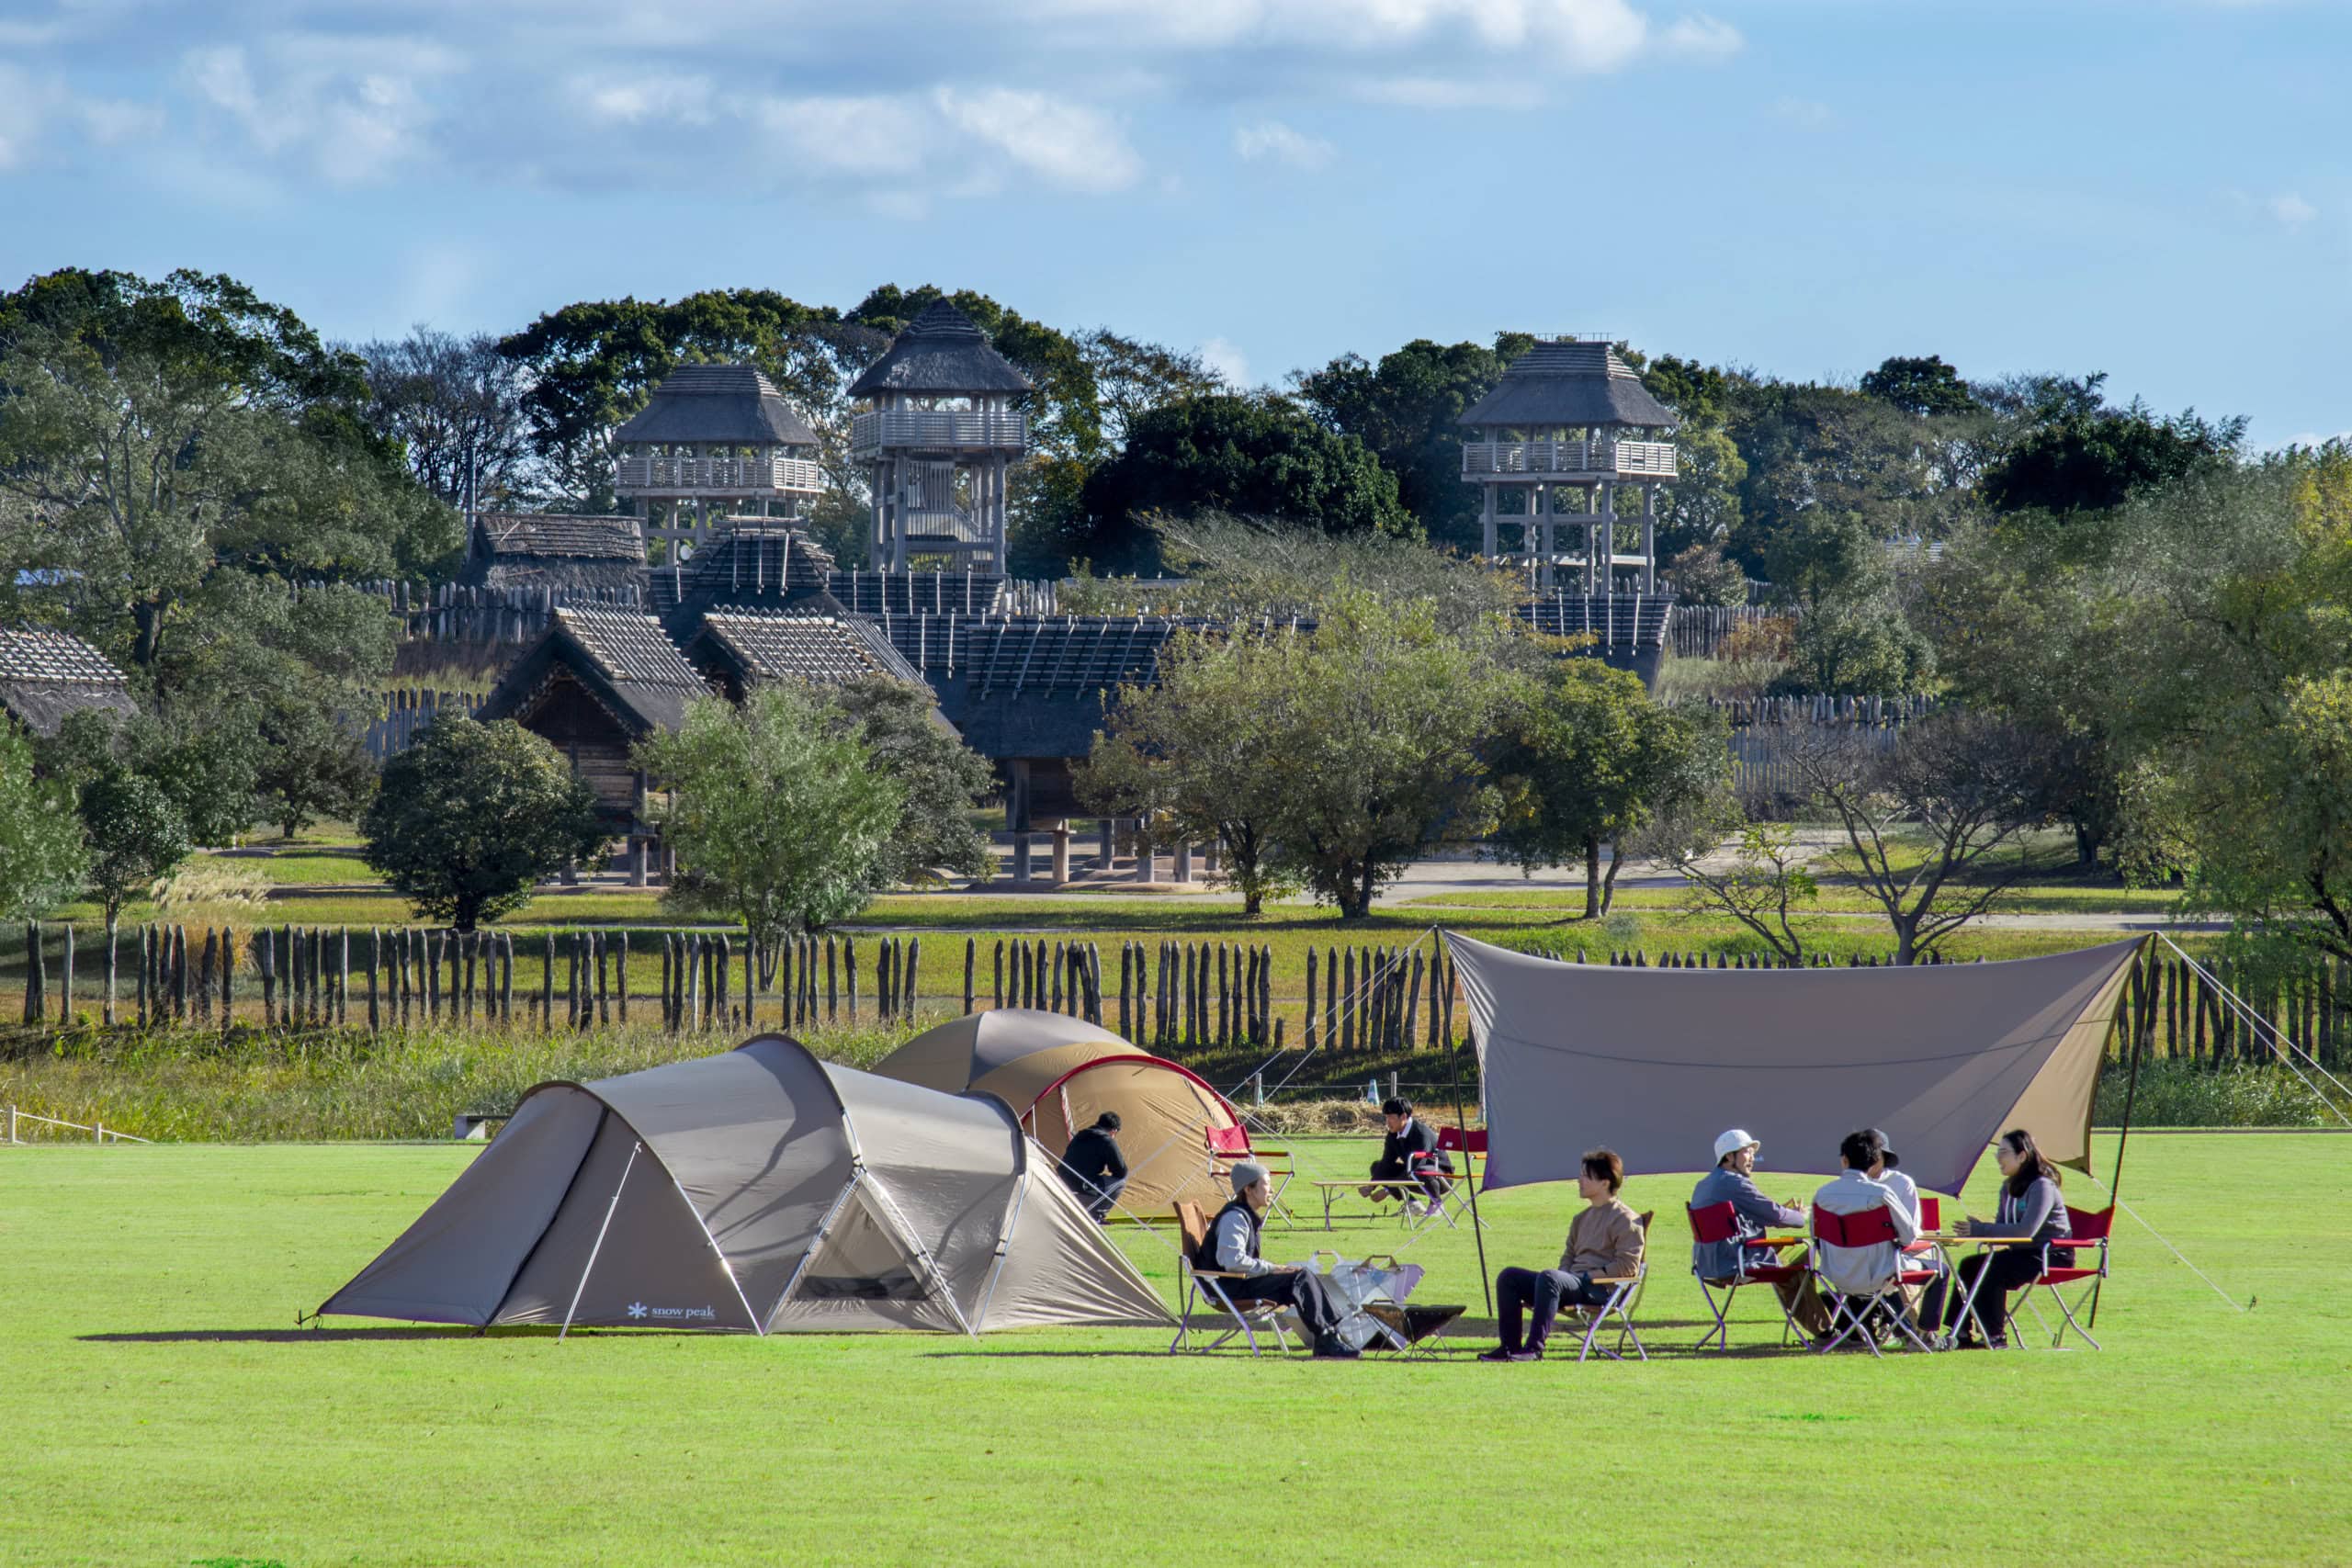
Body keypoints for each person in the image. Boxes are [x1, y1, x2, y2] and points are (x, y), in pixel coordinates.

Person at [1480, 1147, 1645, 1361]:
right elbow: (1568, 1255)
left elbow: (1628, 1267)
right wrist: (1565, 1276)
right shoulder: (1581, 1218)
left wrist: (1588, 1276)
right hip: (1571, 1283)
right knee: (1509, 1277)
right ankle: (1509, 1347)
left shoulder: (1626, 1220)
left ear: (1605, 1182)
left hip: (1599, 1289)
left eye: (1586, 1176)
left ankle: (1534, 1349)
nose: (1579, 1180)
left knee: (1550, 1277)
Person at [1198, 1160, 1363, 1359]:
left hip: (1238, 1283)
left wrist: (1274, 1269)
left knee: (1300, 1275)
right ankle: (1327, 1338)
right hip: (1230, 1288)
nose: (1271, 1190)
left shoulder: (1243, 1215)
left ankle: (1327, 1336)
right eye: (1266, 1184)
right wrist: (1271, 1268)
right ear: (1249, 1189)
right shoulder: (1235, 1218)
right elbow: (1232, 1262)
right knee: (1299, 1277)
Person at [1690, 1128, 1832, 1337]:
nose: (1752, 1158)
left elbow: (1757, 1216)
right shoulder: (1735, 1183)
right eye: (1747, 1152)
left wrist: (1780, 1216)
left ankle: (1824, 1326)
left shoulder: (1704, 1185)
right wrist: (1801, 1216)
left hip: (1709, 1264)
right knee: (1801, 1261)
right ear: (1729, 1156)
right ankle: (1826, 1332)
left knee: (1794, 1263)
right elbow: (1776, 1215)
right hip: (1736, 1262)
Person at [1942, 1128, 2073, 1350]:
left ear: (2022, 1156)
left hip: (2049, 1255)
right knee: (1970, 1265)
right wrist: (1977, 1231)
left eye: (2003, 1152)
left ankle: (1994, 1336)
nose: (1997, 1158)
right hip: (2021, 1254)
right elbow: (2003, 1228)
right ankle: (1960, 1331)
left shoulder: (2042, 1186)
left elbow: (2026, 1231)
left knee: (1994, 1269)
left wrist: (1982, 1229)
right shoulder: (2007, 1187)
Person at [1810, 1129, 1936, 1345]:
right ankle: (1925, 1335)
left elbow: (1817, 1238)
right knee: (1938, 1269)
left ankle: (1896, 1329)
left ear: (1844, 1160)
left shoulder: (1822, 1195)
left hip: (1837, 1275)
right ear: (1872, 1161)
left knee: (1893, 1269)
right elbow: (1909, 1237)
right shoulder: (1882, 1194)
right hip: (1879, 1274)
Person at [1360, 1097, 1451, 1216]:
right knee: (1377, 1167)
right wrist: (1371, 1186)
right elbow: (1386, 1163)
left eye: (1391, 1117)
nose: (1387, 1122)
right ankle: (1413, 1204)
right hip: (1414, 1172)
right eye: (1386, 1117)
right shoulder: (1393, 1135)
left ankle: (1436, 1204)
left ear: (1403, 1116)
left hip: (1441, 1177)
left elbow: (1416, 1166)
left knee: (1421, 1171)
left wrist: (1387, 1190)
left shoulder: (1421, 1133)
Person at [1057, 1111, 1128, 1223]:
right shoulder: (1107, 1141)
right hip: (1082, 1190)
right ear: (1114, 1131)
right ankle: (1096, 1216)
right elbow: (1121, 1172)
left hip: (1060, 1187)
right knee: (1120, 1182)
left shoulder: (1078, 1137)